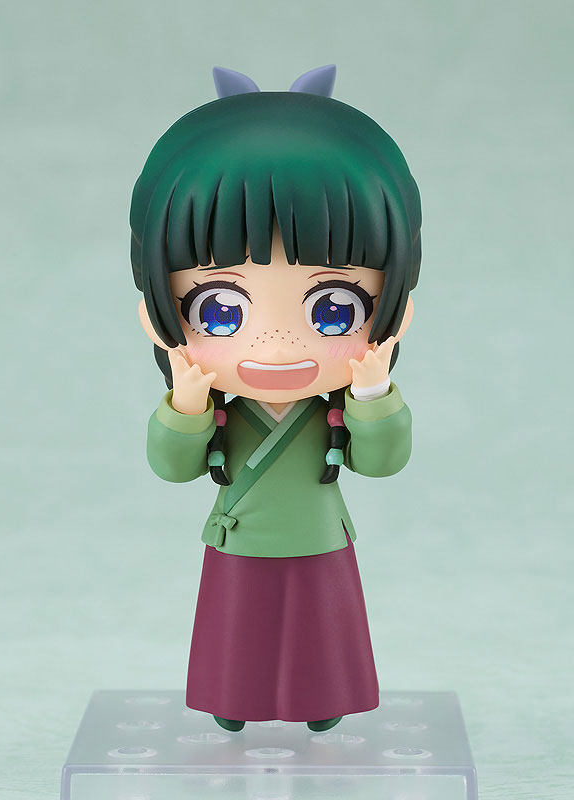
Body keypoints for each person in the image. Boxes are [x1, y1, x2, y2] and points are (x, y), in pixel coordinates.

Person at [130, 65, 422, 732]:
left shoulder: (335, 406)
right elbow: (172, 467)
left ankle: (321, 704)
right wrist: (185, 406)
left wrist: (372, 391)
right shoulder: (219, 407)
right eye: (220, 310)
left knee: (320, 626)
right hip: (241, 534)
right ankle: (235, 702)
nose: (278, 343)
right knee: (240, 627)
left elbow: (381, 462)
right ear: (158, 308)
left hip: (318, 535)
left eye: (334, 308)